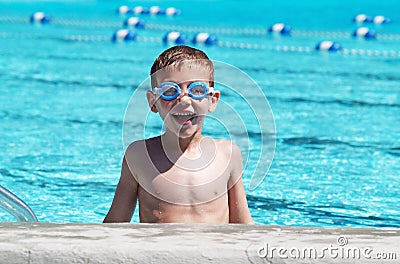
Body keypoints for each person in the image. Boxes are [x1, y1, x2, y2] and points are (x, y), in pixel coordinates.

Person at [104, 45, 254, 224]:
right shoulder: (138, 155)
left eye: (196, 90)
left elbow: (243, 225)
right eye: (170, 91)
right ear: (153, 102)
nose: (183, 99)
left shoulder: (228, 154)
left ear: (212, 100)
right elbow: (114, 225)